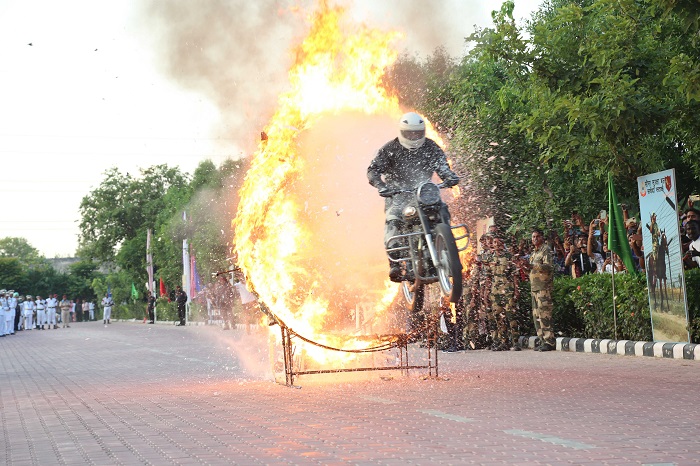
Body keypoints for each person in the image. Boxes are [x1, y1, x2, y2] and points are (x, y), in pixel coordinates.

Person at [367, 112, 460, 282]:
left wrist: (449, 176)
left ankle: (448, 249)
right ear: (402, 131)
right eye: (410, 133)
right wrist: (382, 186)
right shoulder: (390, 149)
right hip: (398, 195)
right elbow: (373, 170)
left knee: (442, 210)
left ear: (423, 131)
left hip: (425, 193)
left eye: (417, 132)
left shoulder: (431, 147)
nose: (414, 136)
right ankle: (395, 263)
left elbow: (441, 165)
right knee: (393, 220)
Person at [528, 229, 556, 352]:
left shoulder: (546, 250)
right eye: (533, 237)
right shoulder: (534, 253)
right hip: (534, 288)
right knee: (537, 316)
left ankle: (549, 341)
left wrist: (532, 265)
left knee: (544, 314)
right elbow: (531, 270)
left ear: (542, 237)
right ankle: (542, 340)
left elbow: (548, 267)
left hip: (543, 288)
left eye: (537, 236)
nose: (534, 239)